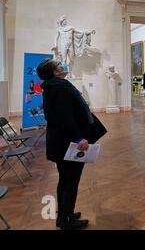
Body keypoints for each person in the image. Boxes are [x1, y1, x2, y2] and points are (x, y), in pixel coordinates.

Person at [37, 58, 107, 230]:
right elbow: (64, 118)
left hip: (60, 141)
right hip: (67, 142)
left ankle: (64, 215)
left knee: (65, 180)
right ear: (54, 72)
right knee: (70, 182)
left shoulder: (53, 86)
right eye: (58, 65)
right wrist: (78, 138)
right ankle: (67, 221)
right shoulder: (60, 88)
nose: (62, 66)